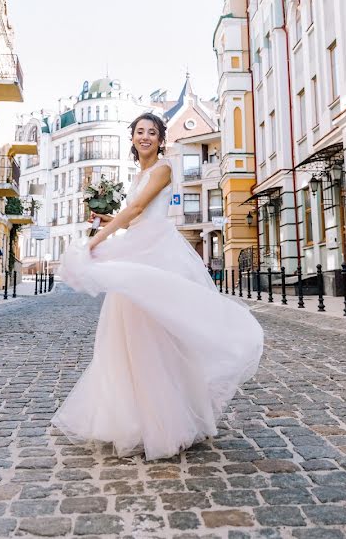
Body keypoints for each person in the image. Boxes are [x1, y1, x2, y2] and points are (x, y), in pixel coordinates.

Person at [53, 113, 263, 461]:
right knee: (128, 333)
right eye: (140, 132)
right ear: (132, 139)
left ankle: (169, 421)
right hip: (139, 248)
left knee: (159, 335)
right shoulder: (139, 174)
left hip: (157, 254)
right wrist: (105, 219)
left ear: (160, 139)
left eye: (152, 132)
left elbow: (135, 207)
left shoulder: (164, 168)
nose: (146, 137)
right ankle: (134, 417)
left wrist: (96, 241)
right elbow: (134, 217)